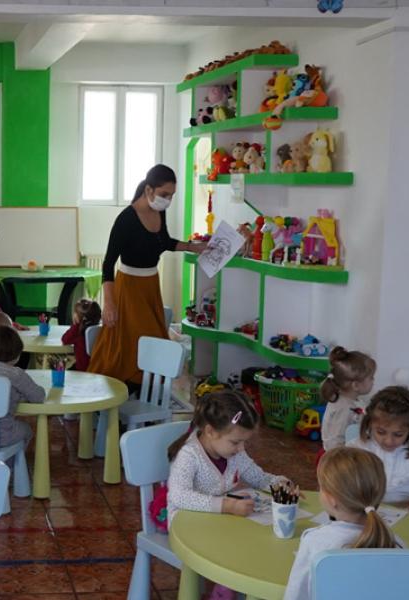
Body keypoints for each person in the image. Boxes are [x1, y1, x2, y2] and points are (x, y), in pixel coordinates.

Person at [88, 164, 207, 387]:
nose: (168, 200)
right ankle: (121, 392)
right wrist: (110, 304)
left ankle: (148, 393)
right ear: (149, 190)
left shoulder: (160, 211)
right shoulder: (126, 219)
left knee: (153, 341)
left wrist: (193, 247)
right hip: (129, 287)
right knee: (131, 344)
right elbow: (108, 264)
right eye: (164, 194)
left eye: (171, 195)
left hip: (151, 285)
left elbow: (164, 242)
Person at [283, 447, 401, 600]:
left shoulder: (315, 541)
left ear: (332, 499)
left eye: (321, 486)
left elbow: (296, 595)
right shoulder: (394, 541)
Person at [167, 390, 283, 519]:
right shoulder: (188, 455)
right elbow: (179, 496)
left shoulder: (235, 453)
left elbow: (258, 478)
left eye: (244, 442)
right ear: (211, 432)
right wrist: (227, 506)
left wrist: (279, 484)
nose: (241, 449)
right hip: (186, 521)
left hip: (217, 519)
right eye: (235, 442)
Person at [349, 386, 409, 514]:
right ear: (369, 424)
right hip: (362, 512)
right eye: (381, 432)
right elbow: (341, 481)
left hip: (406, 513)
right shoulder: (356, 449)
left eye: (398, 434)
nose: (389, 441)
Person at [318, 347, 377, 453]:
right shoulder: (345, 409)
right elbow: (334, 441)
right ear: (356, 385)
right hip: (337, 457)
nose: (373, 380)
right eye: (371, 377)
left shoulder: (349, 401)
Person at [61, 299, 102, 371]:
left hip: (82, 369)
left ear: (78, 317)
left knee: (65, 373)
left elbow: (65, 340)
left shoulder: (77, 331)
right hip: (97, 367)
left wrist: (75, 324)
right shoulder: (99, 328)